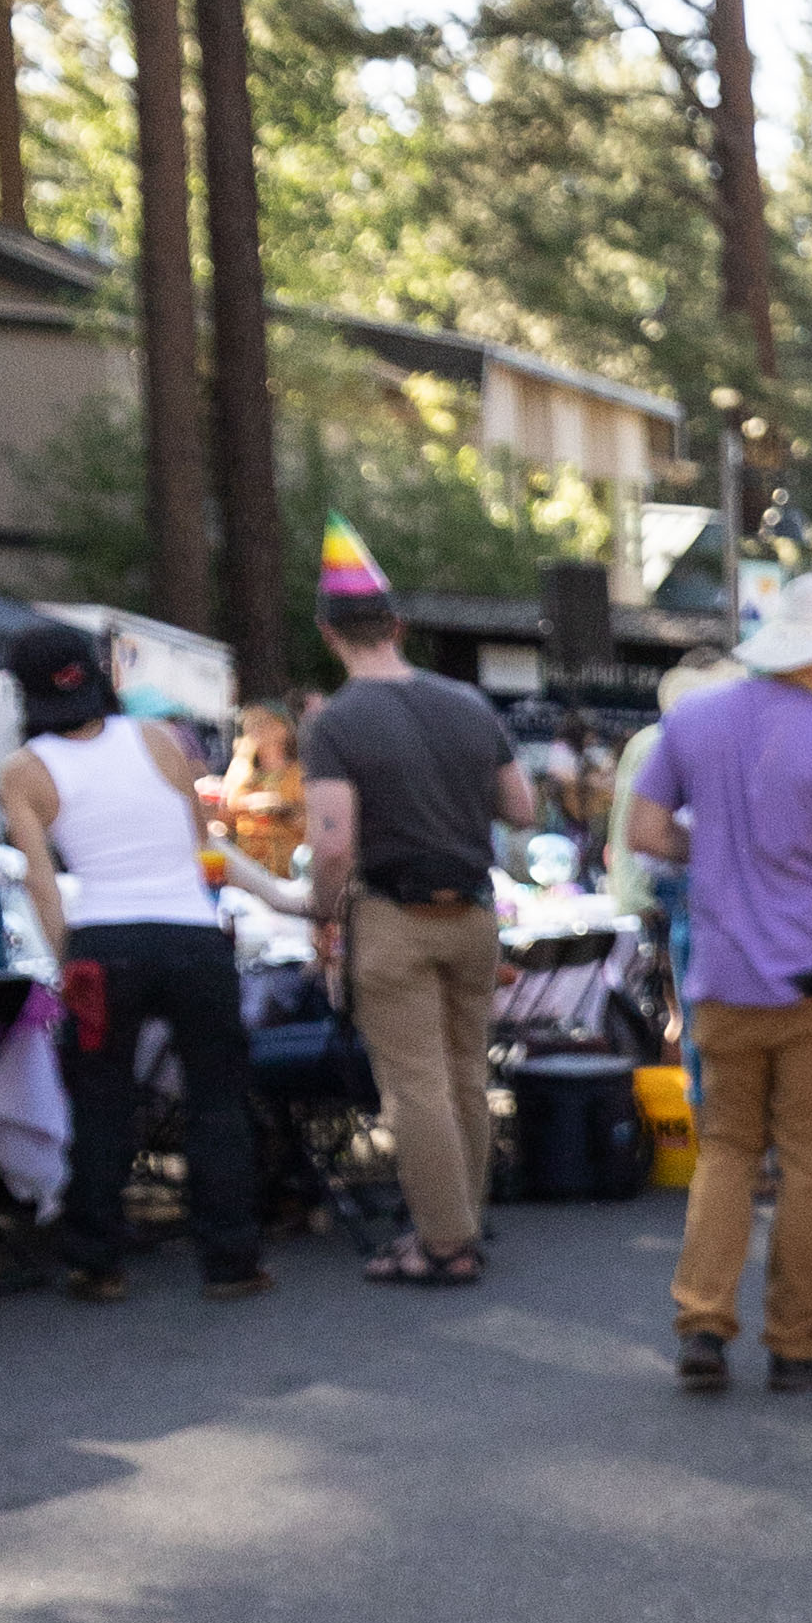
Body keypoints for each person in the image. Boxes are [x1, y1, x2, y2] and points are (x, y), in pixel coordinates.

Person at [628, 571, 812, 1397]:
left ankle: (701, 1322)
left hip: (720, 980)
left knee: (725, 1152)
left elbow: (646, 829)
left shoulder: (692, 719)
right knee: (809, 1165)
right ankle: (796, 1345)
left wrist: (718, 857)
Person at [3, 618, 276, 1305]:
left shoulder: (24, 770)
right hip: (190, 935)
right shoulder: (160, 739)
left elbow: (38, 878)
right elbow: (203, 847)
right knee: (217, 1099)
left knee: (101, 1103)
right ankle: (232, 1257)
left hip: (105, 941)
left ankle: (97, 1260)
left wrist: (70, 958)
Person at [298, 523, 536, 1294]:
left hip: (393, 915)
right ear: (398, 626)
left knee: (416, 1085)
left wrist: (321, 915)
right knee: (467, 1073)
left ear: (329, 633)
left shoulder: (332, 723)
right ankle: (463, 1218)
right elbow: (522, 806)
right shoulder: (467, 703)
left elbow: (333, 844)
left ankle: (443, 1242)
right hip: (472, 912)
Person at [209, 700, 306, 883]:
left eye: (263, 722)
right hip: (248, 870)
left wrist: (283, 808)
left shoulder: (300, 773)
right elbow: (224, 816)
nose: (255, 729)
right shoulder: (241, 770)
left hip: (287, 871)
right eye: (250, 724)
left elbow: (310, 823)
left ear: (284, 729)